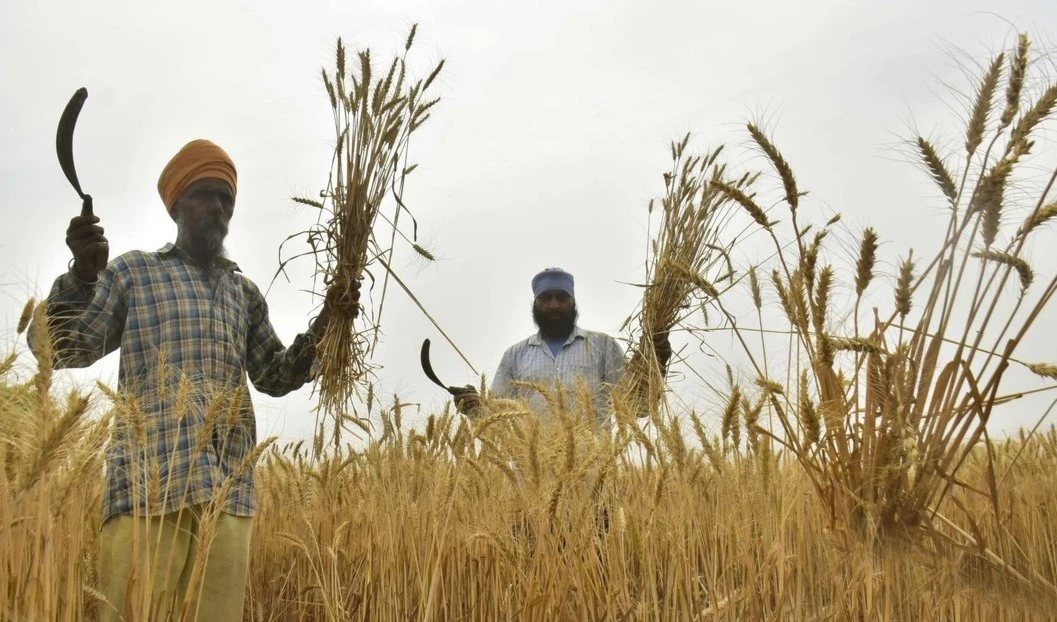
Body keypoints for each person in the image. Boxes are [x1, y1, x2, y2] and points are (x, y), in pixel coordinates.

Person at [28, 139, 357, 621]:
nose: (219, 208)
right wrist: (81, 274)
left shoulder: (243, 292)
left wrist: (330, 322)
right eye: (206, 194)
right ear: (177, 203)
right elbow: (58, 350)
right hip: (148, 491)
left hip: (229, 495)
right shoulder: (133, 274)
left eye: (227, 199)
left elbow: (274, 374)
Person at [453, 267, 671, 429]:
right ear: (535, 305)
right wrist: (475, 408)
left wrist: (655, 363)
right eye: (545, 298)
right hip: (529, 478)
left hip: (595, 476)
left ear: (573, 302)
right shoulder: (514, 355)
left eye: (562, 297)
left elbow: (637, 407)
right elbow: (497, 417)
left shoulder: (603, 346)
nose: (554, 305)